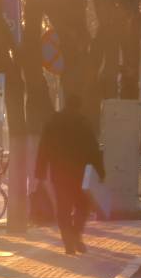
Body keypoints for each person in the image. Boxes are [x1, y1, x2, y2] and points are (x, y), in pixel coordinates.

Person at [35, 94, 105, 255]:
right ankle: (75, 234)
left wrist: (40, 171)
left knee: (63, 208)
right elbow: (93, 149)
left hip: (58, 173)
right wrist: (101, 171)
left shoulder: (54, 121)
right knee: (83, 205)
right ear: (79, 105)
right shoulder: (83, 122)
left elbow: (43, 146)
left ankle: (69, 242)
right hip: (78, 172)